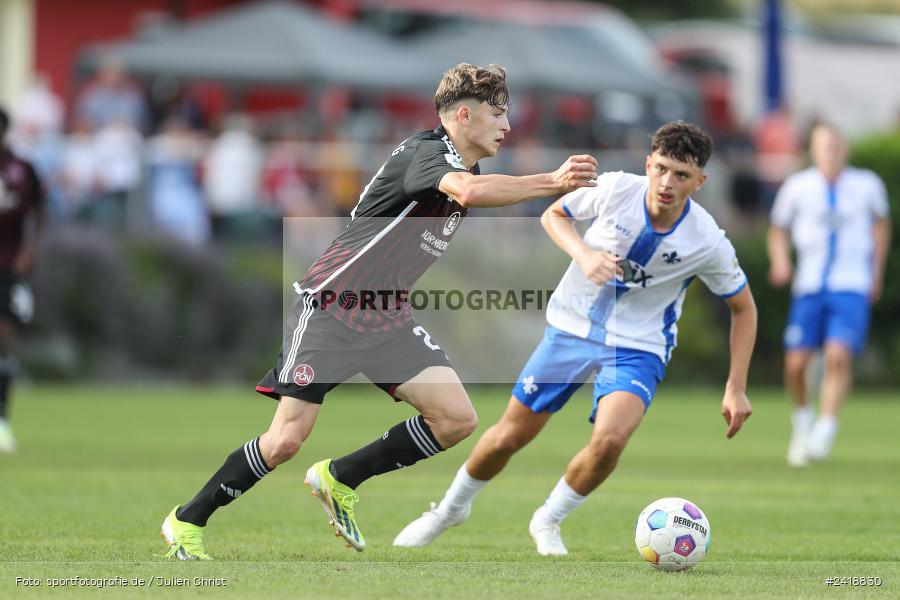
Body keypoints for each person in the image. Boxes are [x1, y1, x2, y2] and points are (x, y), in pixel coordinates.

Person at [160, 63, 599, 559]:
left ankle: (339, 477)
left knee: (455, 419)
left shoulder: (463, 165)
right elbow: (471, 193)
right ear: (463, 115)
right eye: (497, 114)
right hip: (333, 304)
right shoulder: (428, 154)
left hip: (384, 314)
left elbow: (474, 188)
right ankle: (185, 521)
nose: (507, 126)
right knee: (285, 440)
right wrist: (555, 181)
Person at [393, 121, 756, 556]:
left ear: (700, 181)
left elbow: (744, 308)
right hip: (571, 328)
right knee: (510, 436)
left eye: (681, 175)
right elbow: (554, 214)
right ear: (648, 164)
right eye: (661, 168)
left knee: (609, 442)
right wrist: (584, 254)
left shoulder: (708, 241)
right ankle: (449, 511)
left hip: (638, 347)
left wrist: (735, 387)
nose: (667, 182)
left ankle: (548, 519)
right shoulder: (616, 189)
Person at [767, 123, 891, 467]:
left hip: (850, 283)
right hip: (809, 285)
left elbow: (881, 225)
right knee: (796, 363)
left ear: (845, 149)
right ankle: (802, 421)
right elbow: (778, 228)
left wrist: (875, 270)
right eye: (824, 146)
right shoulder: (798, 186)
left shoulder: (866, 185)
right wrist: (780, 261)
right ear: (813, 150)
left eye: (836, 146)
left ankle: (826, 428)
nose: (831, 152)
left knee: (838, 356)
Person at [0, 106, 45, 453]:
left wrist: (30, 250)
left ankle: (2, 421)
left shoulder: (22, 169)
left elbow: (40, 210)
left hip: (7, 266)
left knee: (4, 336)